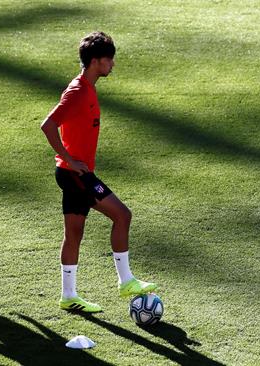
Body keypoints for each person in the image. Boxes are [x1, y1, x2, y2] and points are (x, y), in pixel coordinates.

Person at [41, 32, 158, 313]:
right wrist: (70, 158)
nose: (112, 65)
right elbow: (48, 125)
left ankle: (68, 296)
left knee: (74, 234)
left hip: (73, 171)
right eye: (109, 60)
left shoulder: (87, 87)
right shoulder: (78, 91)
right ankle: (126, 281)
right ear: (95, 61)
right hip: (75, 174)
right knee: (122, 215)